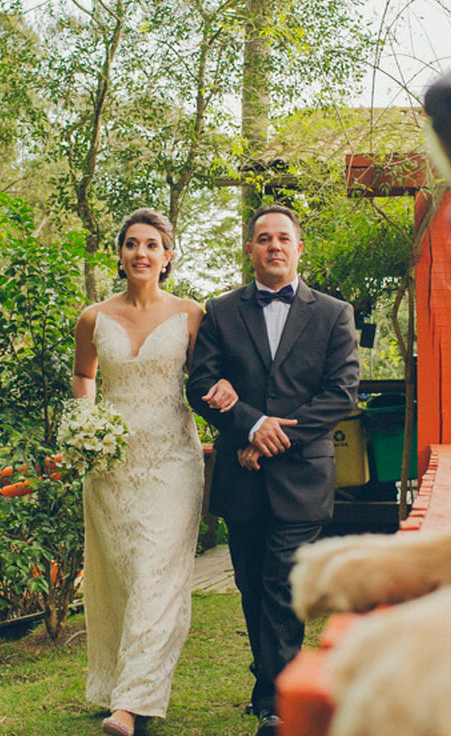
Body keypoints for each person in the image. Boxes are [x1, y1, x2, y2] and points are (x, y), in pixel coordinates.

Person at [186, 204, 360, 736]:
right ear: (250, 250)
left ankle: (277, 702)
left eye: (283, 238)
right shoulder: (220, 311)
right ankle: (268, 681)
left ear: (298, 248)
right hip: (241, 478)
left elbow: (342, 393)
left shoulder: (334, 313)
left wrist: (273, 438)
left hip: (302, 477)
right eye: (264, 238)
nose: (274, 246)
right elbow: (200, 384)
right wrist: (251, 426)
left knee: (282, 584)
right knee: (251, 583)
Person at [72, 208, 211, 736]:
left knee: (157, 574)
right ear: (120, 253)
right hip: (110, 466)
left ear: (168, 256)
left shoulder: (191, 314)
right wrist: (85, 427)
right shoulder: (93, 318)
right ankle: (116, 685)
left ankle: (133, 704)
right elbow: (84, 376)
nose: (141, 253)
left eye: (152, 245)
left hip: (173, 460)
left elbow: (205, 380)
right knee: (120, 578)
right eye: (132, 244)